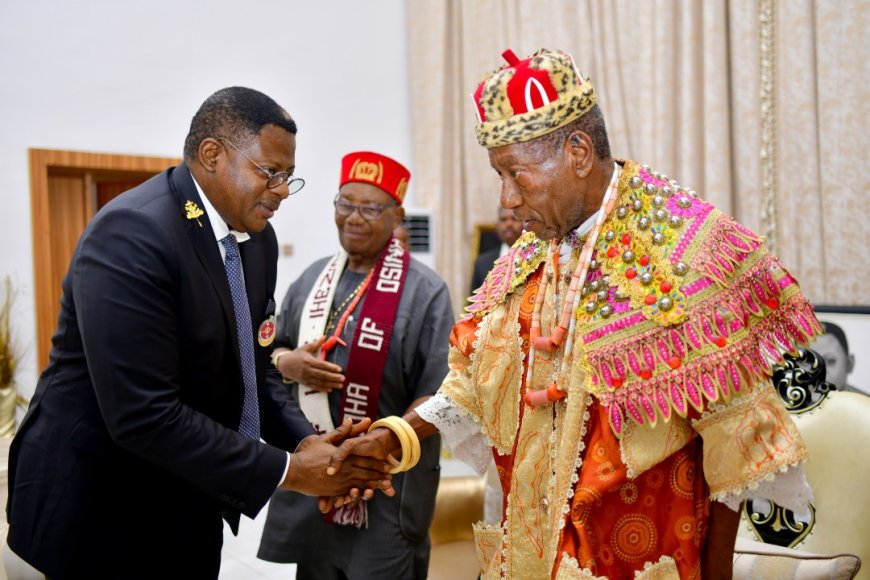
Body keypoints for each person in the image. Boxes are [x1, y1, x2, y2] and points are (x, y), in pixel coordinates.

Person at [328, 49, 822, 579]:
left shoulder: (686, 250)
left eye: (516, 174)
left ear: (578, 151)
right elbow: (471, 384)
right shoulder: (532, 251)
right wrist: (393, 437)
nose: (507, 199)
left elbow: (738, 448)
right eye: (500, 175)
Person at [5, 87, 392, 578]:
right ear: (212, 154)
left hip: (189, 491)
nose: (279, 190)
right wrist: (289, 473)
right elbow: (143, 415)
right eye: (269, 173)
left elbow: (254, 373)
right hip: (99, 503)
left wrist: (304, 444)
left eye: (288, 178)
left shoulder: (257, 242)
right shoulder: (133, 233)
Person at [257, 151, 455, 579]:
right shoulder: (311, 280)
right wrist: (288, 362)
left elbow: (443, 394)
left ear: (396, 215)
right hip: (319, 475)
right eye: (345, 204)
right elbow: (269, 355)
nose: (354, 218)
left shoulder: (427, 292)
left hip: (386, 483)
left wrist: (384, 441)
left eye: (369, 208)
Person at [470, 205, 523, 293]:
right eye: (503, 219)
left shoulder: (535, 256)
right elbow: (474, 302)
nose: (508, 224)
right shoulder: (482, 263)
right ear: (497, 225)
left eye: (514, 219)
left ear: (524, 223)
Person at [814, 321, 861, 393]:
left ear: (849, 364)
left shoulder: (866, 403)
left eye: (830, 361)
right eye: (808, 361)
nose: (818, 373)